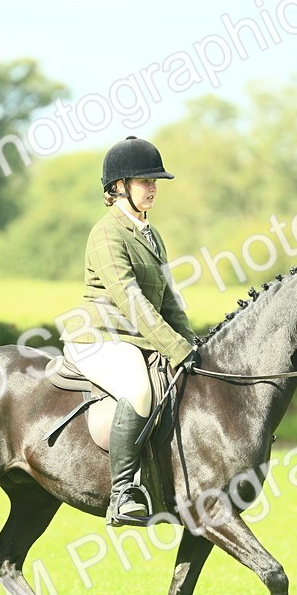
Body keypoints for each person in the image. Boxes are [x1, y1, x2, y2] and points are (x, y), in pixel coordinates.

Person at [60, 136, 201, 526]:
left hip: (134, 339)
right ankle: (123, 493)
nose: (153, 188)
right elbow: (133, 302)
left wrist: (191, 342)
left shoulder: (151, 235)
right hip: (99, 337)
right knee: (138, 389)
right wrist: (175, 348)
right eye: (144, 181)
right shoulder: (107, 234)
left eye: (155, 182)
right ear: (118, 187)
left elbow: (169, 300)